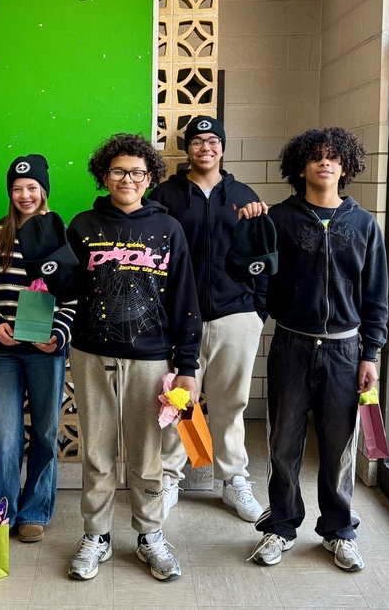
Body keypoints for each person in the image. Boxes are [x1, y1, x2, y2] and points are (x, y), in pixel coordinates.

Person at [18, 133, 202, 582]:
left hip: (152, 358)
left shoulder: (168, 228)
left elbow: (184, 299)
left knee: (147, 456)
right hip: (91, 352)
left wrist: (187, 366)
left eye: (138, 172)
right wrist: (44, 273)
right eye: (118, 171)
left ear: (150, 178)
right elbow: (62, 290)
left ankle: (150, 535)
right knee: (98, 453)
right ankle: (96, 534)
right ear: (104, 175)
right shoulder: (81, 226)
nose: (128, 179)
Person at [247, 127, 388, 573]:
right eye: (315, 157)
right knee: (283, 443)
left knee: (338, 446)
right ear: (301, 167)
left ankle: (338, 530)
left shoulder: (364, 225)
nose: (324, 163)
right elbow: (257, 280)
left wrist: (372, 353)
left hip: (346, 350)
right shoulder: (280, 220)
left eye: (332, 157)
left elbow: (376, 295)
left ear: (345, 166)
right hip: (290, 343)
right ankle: (282, 526)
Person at [150, 115, 269, 522]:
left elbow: (265, 258)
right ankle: (169, 478)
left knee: (230, 403)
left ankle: (234, 480)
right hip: (179, 318)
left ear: (223, 147)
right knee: (180, 401)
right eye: (198, 141)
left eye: (213, 140)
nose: (206, 148)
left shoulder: (244, 196)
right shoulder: (165, 195)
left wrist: (258, 310)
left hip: (235, 315)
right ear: (187, 148)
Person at [0, 154, 75, 544]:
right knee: (4, 435)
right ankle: (1, 512)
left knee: (46, 432)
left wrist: (58, 334)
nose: (25, 195)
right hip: (3, 350)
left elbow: (72, 296)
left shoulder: (60, 234)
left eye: (32, 187)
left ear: (44, 191)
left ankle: (35, 510)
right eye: (17, 188)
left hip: (45, 349)